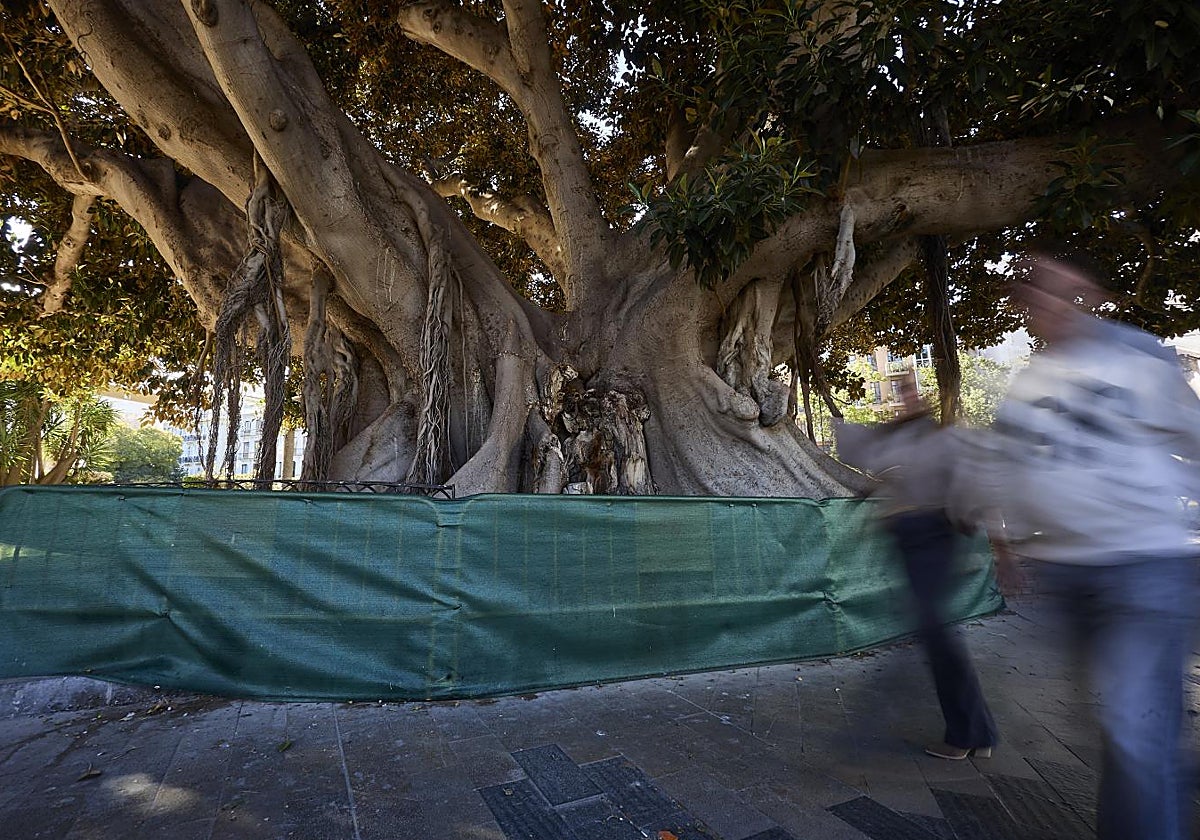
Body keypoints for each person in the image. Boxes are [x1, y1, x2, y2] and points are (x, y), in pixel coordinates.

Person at [962, 246, 1200, 840]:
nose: (1047, 300)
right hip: (1069, 573)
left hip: (1145, 564)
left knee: (1132, 724)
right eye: (1032, 292)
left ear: (1088, 289)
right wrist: (1005, 545)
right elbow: (1006, 466)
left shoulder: (1140, 354)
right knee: (1126, 727)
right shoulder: (1030, 381)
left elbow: (1194, 440)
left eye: (1058, 285)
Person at [835, 378, 998, 760]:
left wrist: (995, 542)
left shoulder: (942, 439)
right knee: (934, 630)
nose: (906, 399)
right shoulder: (897, 441)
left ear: (923, 399)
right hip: (907, 540)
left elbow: (972, 483)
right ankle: (976, 730)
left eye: (912, 392)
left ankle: (967, 732)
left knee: (934, 628)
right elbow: (865, 459)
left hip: (933, 536)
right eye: (901, 393)